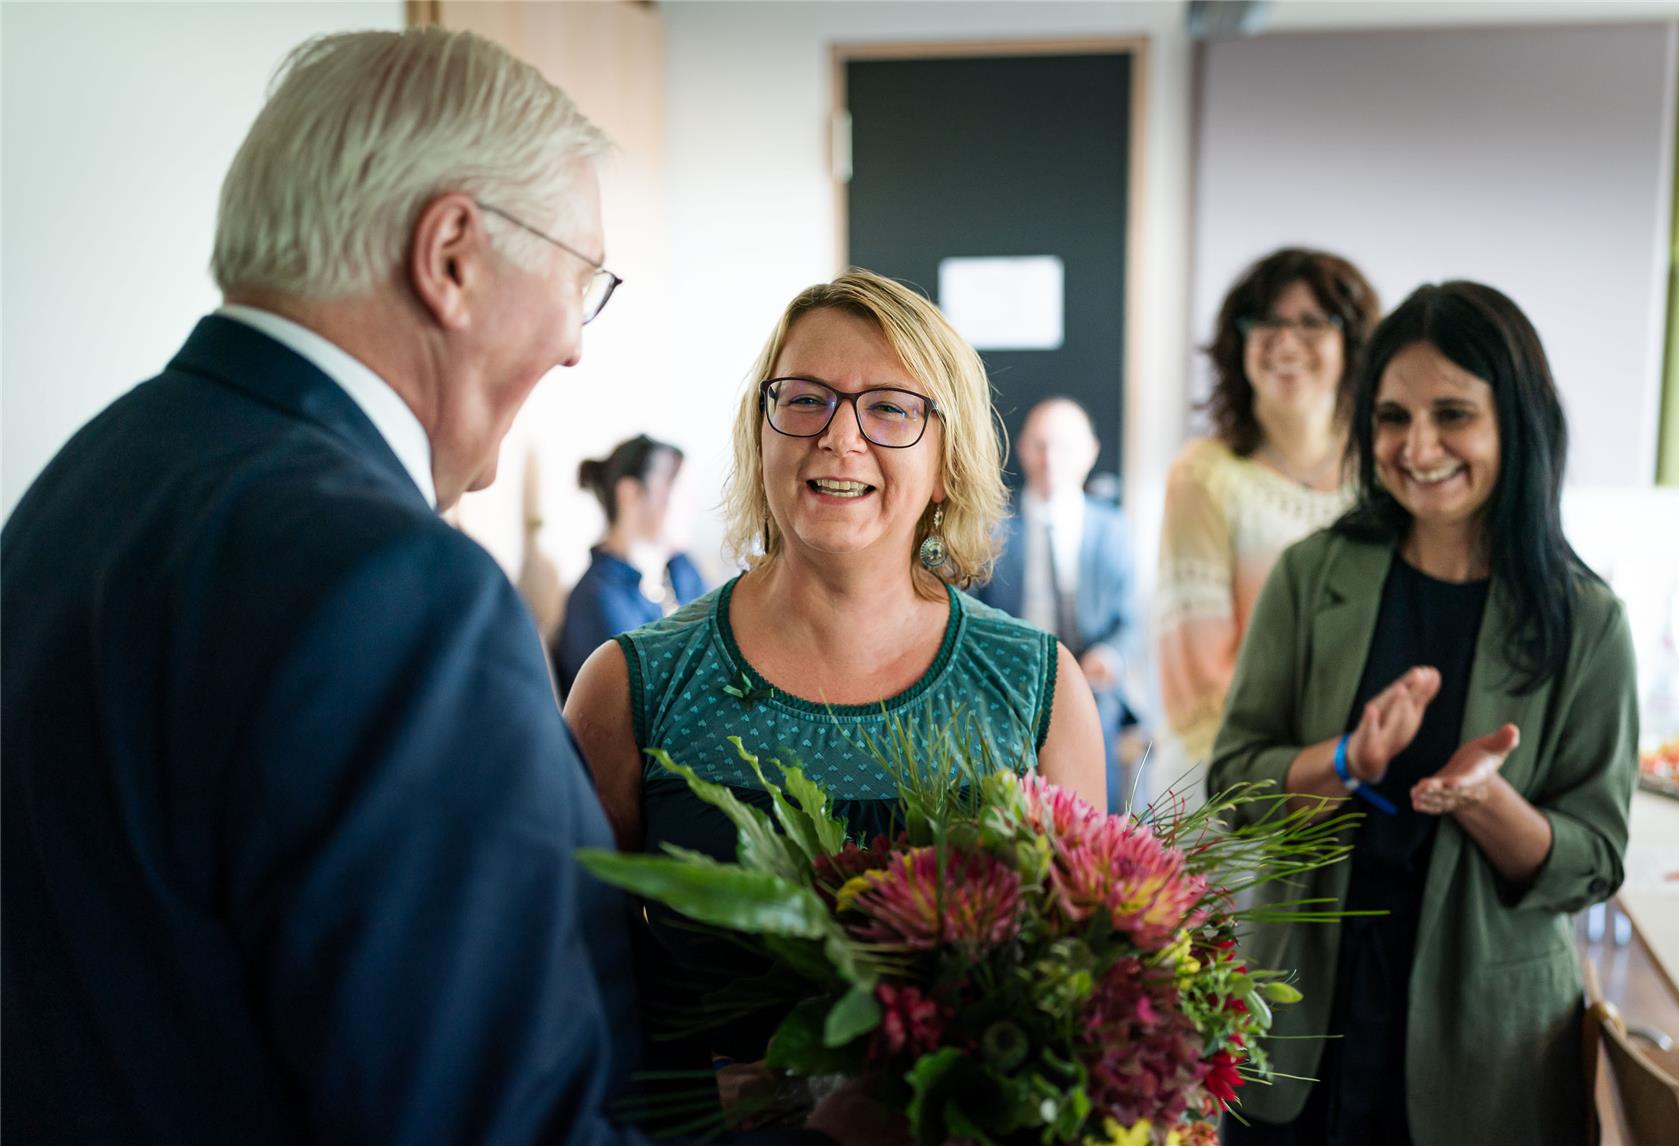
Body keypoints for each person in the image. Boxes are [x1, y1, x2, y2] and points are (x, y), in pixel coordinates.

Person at [0, 28, 867, 1146]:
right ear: (451, 254)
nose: (573, 348)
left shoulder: (87, 482)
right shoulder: (390, 589)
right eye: (581, 280)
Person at [566, 269, 1106, 1063]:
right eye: (805, 398)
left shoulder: (1038, 687)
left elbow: (1083, 1005)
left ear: (949, 458)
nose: (839, 436)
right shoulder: (630, 685)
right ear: (762, 431)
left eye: (889, 407)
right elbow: (568, 1000)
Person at [1209, 282, 1637, 1146]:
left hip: (1486, 1033)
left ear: (1516, 423)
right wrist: (1344, 765)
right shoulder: (1312, 575)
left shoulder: (1586, 619)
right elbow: (1231, 784)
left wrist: (1485, 800)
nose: (1419, 446)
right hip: (1303, 1008)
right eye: (1393, 417)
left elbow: (1591, 863)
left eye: (1453, 415)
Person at [1155, 248, 1379, 798]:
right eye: (1268, 321)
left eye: (1311, 322)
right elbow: (1199, 680)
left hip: (1365, 781)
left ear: (1351, 342)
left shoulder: (1384, 473)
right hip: (1236, 787)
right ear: (1240, 343)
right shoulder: (1205, 475)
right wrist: (1317, 766)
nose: (1285, 341)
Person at [976, 396, 1138, 811]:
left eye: (1063, 447)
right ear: (1023, 449)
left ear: (1090, 454)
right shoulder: (991, 527)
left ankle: (1097, 836)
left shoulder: (1113, 530)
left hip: (1089, 679)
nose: (1051, 459)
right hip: (1012, 681)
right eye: (1040, 445)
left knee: (1094, 719)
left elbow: (1130, 620)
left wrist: (1110, 654)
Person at [554, 434, 707, 697]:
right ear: (631, 493)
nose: (691, 504)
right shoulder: (596, 597)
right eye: (676, 487)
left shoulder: (683, 570)